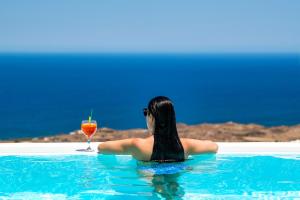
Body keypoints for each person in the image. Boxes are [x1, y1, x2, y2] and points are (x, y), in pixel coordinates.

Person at [98, 96, 218, 162]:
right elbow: (214, 147)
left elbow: (102, 148)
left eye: (146, 112)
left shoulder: (137, 145)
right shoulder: (186, 145)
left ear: (151, 117)